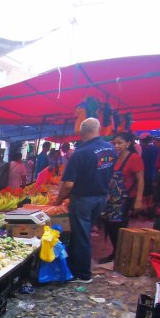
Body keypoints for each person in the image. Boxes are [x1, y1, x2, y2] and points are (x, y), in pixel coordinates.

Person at [55, 118, 116, 283]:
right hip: (101, 198)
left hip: (83, 199)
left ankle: (83, 274)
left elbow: (68, 184)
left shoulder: (80, 153)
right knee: (84, 232)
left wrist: (59, 199)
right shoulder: (110, 148)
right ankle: (75, 265)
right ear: (99, 129)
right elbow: (111, 176)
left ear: (81, 132)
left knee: (82, 236)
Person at [99, 132, 144, 263]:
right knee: (109, 225)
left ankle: (121, 255)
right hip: (112, 198)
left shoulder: (134, 158)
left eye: (120, 143)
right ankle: (116, 253)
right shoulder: (115, 157)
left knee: (118, 226)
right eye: (115, 143)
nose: (117, 146)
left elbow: (140, 180)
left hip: (125, 199)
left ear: (128, 144)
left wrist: (139, 199)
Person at [140, 134, 159, 216]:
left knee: (145, 194)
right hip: (154, 175)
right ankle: (151, 209)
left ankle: (147, 209)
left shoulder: (142, 150)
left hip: (145, 175)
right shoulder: (156, 149)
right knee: (152, 194)